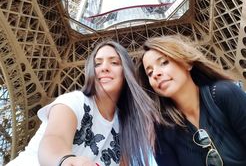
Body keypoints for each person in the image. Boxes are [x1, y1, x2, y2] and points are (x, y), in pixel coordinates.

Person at [7, 40, 159, 166]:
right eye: (97, 64)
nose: (104, 68)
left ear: (126, 72)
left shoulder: (126, 128)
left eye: (114, 62)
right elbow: (54, 138)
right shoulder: (74, 101)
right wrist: (67, 161)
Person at [136, 34, 246, 166]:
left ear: (187, 63)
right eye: (149, 73)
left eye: (164, 62)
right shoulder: (161, 131)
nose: (156, 74)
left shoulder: (224, 94)